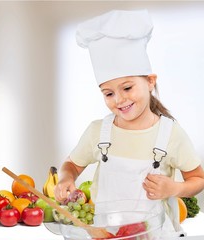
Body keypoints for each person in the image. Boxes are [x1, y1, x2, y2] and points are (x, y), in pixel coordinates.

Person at [54, 9, 204, 237]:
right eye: (108, 93)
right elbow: (72, 165)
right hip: (106, 234)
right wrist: (66, 178)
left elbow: (198, 179)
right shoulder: (98, 132)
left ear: (150, 81)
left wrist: (175, 188)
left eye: (127, 88)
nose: (119, 99)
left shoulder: (170, 134)